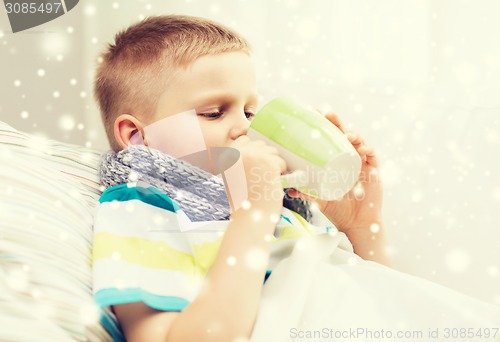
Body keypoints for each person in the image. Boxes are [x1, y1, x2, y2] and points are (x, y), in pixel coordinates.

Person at [92, 15, 499, 342]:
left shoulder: (284, 202)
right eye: (214, 112)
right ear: (137, 137)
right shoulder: (141, 207)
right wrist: (251, 217)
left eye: (251, 113)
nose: (243, 129)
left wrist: (361, 223)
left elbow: (383, 300)